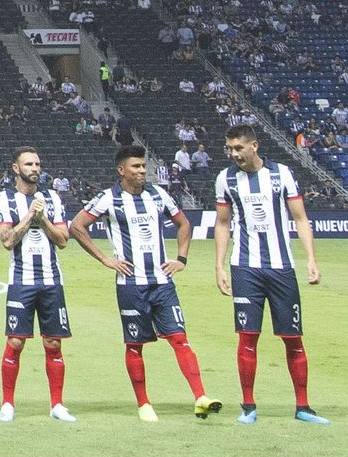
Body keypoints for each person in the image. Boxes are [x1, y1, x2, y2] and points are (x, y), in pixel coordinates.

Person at [68, 146, 222, 422]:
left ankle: (200, 396)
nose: (142, 171)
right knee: (135, 344)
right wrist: (106, 259)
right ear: (121, 170)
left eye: (143, 166)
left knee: (179, 338)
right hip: (130, 284)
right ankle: (144, 404)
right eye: (136, 166)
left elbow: (183, 224)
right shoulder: (108, 199)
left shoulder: (158, 194)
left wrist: (181, 259)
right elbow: (77, 226)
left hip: (162, 283)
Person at [214, 126, 329, 425]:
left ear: (254, 145)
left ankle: (303, 407)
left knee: (293, 338)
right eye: (230, 149)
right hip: (245, 268)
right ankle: (248, 406)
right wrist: (219, 265)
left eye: (239, 148)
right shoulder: (225, 179)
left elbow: (300, 218)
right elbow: (223, 224)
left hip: (281, 268)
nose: (234, 154)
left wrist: (311, 260)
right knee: (247, 338)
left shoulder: (282, 174)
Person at [0, 146, 74, 423]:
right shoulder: (4, 199)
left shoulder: (52, 197)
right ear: (16, 168)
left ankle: (57, 404)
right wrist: (29, 216)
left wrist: (44, 219)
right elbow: (6, 241)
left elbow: (63, 240)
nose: (35, 168)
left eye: (37, 164)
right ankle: (7, 404)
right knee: (15, 342)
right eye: (29, 164)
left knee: (53, 343)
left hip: (52, 281)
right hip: (21, 281)